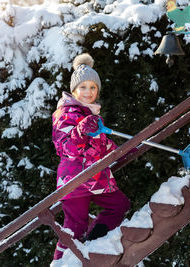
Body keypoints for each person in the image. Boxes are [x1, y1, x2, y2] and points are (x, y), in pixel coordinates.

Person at [51, 53, 130, 261]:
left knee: (119, 205)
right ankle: (60, 263)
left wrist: (123, 151)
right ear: (74, 90)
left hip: (95, 177)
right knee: (75, 227)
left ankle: (93, 243)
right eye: (83, 87)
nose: (88, 92)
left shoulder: (92, 114)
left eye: (92, 87)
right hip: (74, 180)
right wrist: (80, 130)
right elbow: (66, 147)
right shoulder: (66, 113)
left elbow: (101, 143)